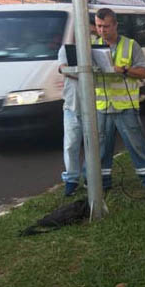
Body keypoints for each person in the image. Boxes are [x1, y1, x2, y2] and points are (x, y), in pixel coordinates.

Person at [93, 8, 145, 196]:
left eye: (106, 26)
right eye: (98, 26)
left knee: (136, 145)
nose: (102, 30)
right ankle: (103, 185)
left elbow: (144, 72)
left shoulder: (130, 46)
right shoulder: (92, 46)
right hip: (102, 107)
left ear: (115, 25)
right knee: (102, 150)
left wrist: (123, 70)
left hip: (125, 107)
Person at [58, 42, 83, 196]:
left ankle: (89, 177)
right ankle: (72, 180)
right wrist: (87, 73)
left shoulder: (97, 48)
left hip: (95, 105)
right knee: (71, 145)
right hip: (72, 105)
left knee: (94, 145)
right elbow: (64, 68)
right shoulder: (67, 49)